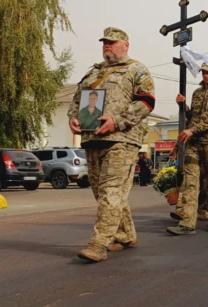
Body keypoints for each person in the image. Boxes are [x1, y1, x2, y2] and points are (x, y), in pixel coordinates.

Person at [68, 27, 155, 262]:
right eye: (105, 42)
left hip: (122, 140)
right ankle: (125, 233)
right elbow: (77, 101)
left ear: (125, 45)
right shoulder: (92, 73)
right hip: (92, 139)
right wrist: (73, 119)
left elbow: (147, 102)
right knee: (102, 192)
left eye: (113, 42)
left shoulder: (136, 70)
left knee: (111, 192)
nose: (107, 46)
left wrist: (117, 121)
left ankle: (98, 244)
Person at [167, 63, 208, 235]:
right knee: (190, 182)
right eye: (203, 72)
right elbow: (192, 117)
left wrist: (192, 130)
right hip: (193, 143)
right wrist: (183, 106)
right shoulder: (197, 93)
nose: (206, 75)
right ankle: (187, 222)